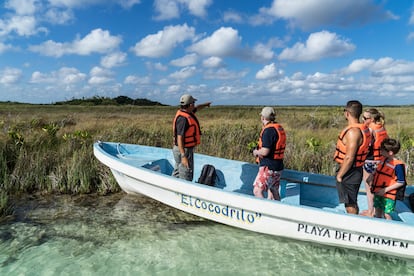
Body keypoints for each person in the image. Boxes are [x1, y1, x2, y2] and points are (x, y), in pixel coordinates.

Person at [334, 100, 371, 214]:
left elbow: (349, 157)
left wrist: (340, 175)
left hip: (350, 171)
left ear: (347, 113)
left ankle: (353, 225)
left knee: (350, 203)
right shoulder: (362, 129)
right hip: (355, 169)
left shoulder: (353, 132)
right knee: (351, 201)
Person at [172, 94, 211, 181]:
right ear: (190, 105)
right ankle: (184, 190)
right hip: (183, 150)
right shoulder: (183, 119)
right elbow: (180, 138)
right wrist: (183, 156)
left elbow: (197, 108)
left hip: (180, 149)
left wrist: (205, 105)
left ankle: (173, 187)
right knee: (186, 173)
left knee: (178, 171)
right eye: (193, 103)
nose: (194, 105)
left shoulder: (187, 112)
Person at [367, 138, 406, 220]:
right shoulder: (383, 160)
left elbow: (401, 182)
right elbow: (378, 171)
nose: (380, 151)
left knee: (387, 214)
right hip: (378, 192)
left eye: (382, 150)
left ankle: (389, 230)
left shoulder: (398, 165)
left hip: (388, 195)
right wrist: (371, 176)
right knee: (377, 212)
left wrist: (385, 190)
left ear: (390, 152)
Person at [252, 107, 286, 200]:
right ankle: (278, 210)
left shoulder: (268, 131)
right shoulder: (278, 128)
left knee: (257, 191)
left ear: (263, 117)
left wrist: (255, 152)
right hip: (278, 166)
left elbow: (265, 151)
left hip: (269, 167)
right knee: (273, 190)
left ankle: (264, 211)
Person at [360, 108, 388, 217]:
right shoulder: (381, 127)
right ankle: (376, 211)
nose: (363, 120)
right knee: (378, 187)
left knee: (369, 189)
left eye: (365, 118)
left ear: (371, 119)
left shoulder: (370, 130)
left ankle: (371, 212)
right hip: (381, 161)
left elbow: (367, 146)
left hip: (370, 162)